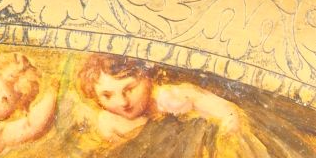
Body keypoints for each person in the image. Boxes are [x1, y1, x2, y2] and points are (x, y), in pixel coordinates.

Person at [76, 54, 241, 141]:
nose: (122, 102)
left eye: (130, 89)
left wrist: (227, 129)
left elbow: (228, 113)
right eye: (107, 95)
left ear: (147, 78)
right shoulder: (106, 121)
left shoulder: (171, 97)